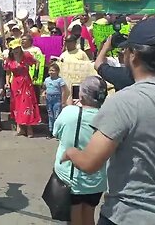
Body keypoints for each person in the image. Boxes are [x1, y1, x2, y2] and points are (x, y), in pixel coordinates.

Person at [61, 18, 155, 225]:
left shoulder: (125, 101)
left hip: (130, 215)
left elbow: (89, 163)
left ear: (134, 55)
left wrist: (70, 152)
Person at [53, 76, 108, 225]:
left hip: (72, 178)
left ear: (82, 95)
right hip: (97, 179)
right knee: (89, 213)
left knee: (75, 215)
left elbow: (56, 132)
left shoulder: (69, 112)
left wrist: (68, 105)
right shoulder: (109, 116)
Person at [4, 42, 42, 138]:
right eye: (14, 49)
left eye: (17, 48)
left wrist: (36, 74)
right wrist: (7, 82)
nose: (16, 50)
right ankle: (19, 127)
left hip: (26, 82)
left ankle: (29, 128)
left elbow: (37, 62)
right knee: (17, 105)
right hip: (15, 83)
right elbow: (8, 73)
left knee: (27, 105)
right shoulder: (9, 60)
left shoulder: (26, 56)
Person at [41, 63, 69, 138]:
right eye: (50, 70)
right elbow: (44, 88)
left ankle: (57, 132)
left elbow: (63, 91)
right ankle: (51, 131)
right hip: (49, 98)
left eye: (53, 70)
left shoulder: (59, 80)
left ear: (57, 71)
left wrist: (63, 101)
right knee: (50, 115)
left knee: (57, 115)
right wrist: (44, 93)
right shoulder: (47, 80)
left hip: (57, 99)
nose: (51, 72)